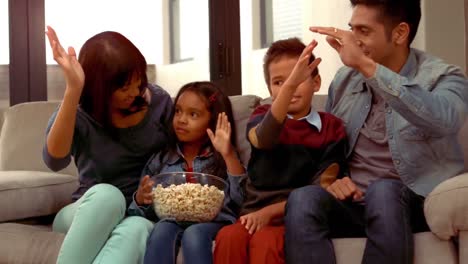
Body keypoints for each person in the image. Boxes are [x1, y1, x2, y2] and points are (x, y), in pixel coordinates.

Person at [284, 0, 468, 263]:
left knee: (383, 191)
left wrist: (366, 66)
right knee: (303, 199)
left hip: (411, 203)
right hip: (354, 203)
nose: (352, 39)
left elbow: (443, 119)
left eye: (364, 31)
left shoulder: (443, 77)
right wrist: (333, 179)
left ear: (400, 33)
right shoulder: (345, 80)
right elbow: (330, 144)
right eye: (351, 29)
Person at [42, 26, 173, 264]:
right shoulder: (80, 113)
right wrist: (73, 90)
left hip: (138, 211)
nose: (135, 92)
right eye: (125, 87)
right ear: (100, 87)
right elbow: (54, 159)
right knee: (108, 196)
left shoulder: (159, 102)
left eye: (139, 82)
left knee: (137, 227)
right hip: (89, 210)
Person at [213, 38, 349, 264]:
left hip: (294, 218)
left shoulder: (331, 128)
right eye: (280, 82)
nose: (291, 87)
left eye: (299, 79)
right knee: (228, 237)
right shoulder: (261, 116)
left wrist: (269, 214)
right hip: (252, 213)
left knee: (266, 243)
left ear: (316, 82)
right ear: (270, 89)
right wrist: (291, 85)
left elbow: (321, 189)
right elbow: (263, 139)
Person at [127, 81, 246, 264]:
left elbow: (242, 200)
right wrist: (141, 199)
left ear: (212, 120)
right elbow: (141, 211)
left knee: (194, 234)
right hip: (171, 220)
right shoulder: (162, 160)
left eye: (193, 114)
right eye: (178, 111)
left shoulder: (223, 159)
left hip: (215, 222)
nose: (181, 119)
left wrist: (228, 154)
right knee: (161, 229)